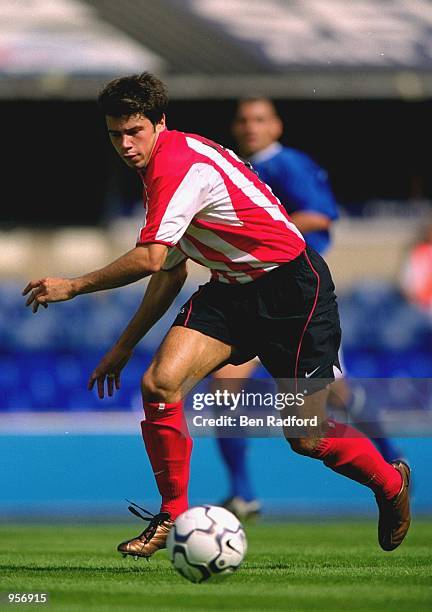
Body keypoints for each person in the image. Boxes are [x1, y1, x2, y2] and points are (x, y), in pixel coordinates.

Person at [23, 73, 411, 559]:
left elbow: (148, 259)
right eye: (114, 134)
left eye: (133, 132)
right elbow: (168, 271)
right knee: (159, 384)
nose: (124, 144)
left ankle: (391, 485)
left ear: (159, 123)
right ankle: (171, 513)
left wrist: (73, 286)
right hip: (231, 290)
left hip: (292, 290)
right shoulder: (159, 167)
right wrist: (122, 349)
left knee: (307, 438)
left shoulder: (178, 165)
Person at [214, 98, 403, 519]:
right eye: (243, 120)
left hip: (299, 298)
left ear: (276, 126)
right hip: (250, 295)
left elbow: (321, 216)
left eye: (259, 119)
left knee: (337, 396)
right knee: (224, 388)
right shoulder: (238, 169)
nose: (250, 127)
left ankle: (392, 462)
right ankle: (242, 492)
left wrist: (261, 228)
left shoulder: (288, 165)